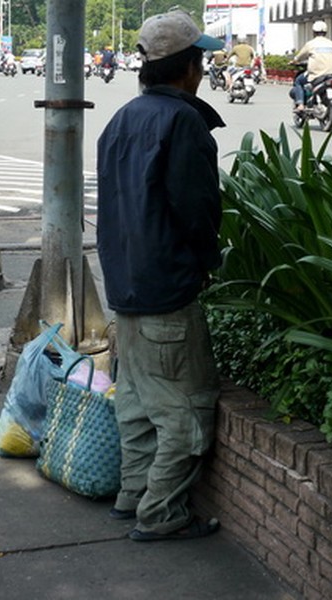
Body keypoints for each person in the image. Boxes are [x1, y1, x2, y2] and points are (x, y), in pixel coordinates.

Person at [96, 9, 225, 542]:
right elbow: (196, 210)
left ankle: (132, 496)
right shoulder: (183, 122)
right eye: (201, 59)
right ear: (188, 66)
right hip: (168, 287)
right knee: (186, 414)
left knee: (138, 405)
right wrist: (208, 263)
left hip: (126, 285)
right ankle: (161, 514)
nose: (204, 69)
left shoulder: (122, 118)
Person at [290, 20, 332, 113]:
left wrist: (294, 61)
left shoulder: (311, 44)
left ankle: (300, 104)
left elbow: (300, 56)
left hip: (316, 75)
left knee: (298, 81)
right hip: (331, 75)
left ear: (314, 32)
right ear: (326, 32)